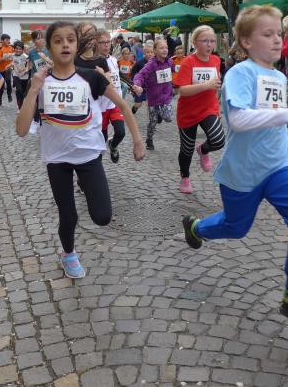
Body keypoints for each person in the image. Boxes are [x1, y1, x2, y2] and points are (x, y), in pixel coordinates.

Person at [181, 5, 288, 332]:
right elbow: (240, 120)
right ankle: (197, 228)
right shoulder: (240, 74)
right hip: (243, 171)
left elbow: (273, 119)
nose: (277, 41)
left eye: (280, 34)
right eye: (268, 34)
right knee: (236, 227)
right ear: (247, 42)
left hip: (279, 166)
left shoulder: (279, 76)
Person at [15, 21, 146, 278]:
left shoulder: (92, 77)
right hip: (57, 159)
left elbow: (122, 105)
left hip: (88, 155)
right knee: (68, 215)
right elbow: (21, 130)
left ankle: (73, 242)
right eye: (58, 41)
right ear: (49, 47)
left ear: (77, 45)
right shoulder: (41, 81)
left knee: (102, 216)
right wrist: (33, 91)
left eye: (70, 40)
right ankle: (68, 254)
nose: (65, 45)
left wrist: (137, 140)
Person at [173, 25, 225, 194]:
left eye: (212, 41)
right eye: (205, 41)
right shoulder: (188, 62)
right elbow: (182, 91)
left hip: (208, 109)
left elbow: (215, 86)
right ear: (195, 42)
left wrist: (216, 106)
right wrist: (206, 85)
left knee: (218, 140)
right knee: (186, 149)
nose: (209, 44)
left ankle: (203, 150)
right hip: (188, 112)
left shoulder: (216, 60)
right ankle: (185, 177)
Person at [132, 39, 175, 150]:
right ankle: (149, 139)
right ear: (155, 51)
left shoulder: (170, 62)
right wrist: (137, 85)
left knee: (168, 118)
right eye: (161, 48)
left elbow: (174, 74)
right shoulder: (151, 64)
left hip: (166, 96)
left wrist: (175, 85)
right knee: (153, 121)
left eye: (166, 48)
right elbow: (140, 75)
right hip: (153, 98)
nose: (165, 50)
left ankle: (161, 113)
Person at [97, 30, 126, 163]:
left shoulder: (114, 60)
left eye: (108, 41)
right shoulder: (93, 62)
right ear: (96, 44)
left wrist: (133, 86)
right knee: (101, 140)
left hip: (114, 103)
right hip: (100, 107)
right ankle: (95, 167)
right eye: (102, 42)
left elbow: (118, 76)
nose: (106, 45)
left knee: (120, 132)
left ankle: (113, 146)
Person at [0, 34, 15, 105]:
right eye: (6, 40)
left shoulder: (11, 48)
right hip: (1, 69)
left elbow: (14, 57)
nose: (8, 41)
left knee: (8, 81)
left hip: (8, 68)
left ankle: (9, 95)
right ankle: (0, 98)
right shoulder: (0, 49)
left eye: (9, 39)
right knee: (1, 85)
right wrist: (5, 57)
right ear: (2, 41)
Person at [11, 40, 30, 108]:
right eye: (16, 48)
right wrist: (9, 66)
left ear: (22, 50)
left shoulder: (25, 56)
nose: (18, 50)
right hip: (16, 75)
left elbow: (29, 65)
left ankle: (23, 103)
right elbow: (12, 62)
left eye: (20, 49)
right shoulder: (13, 55)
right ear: (14, 49)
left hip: (25, 77)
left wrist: (25, 71)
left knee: (23, 92)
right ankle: (20, 107)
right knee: (19, 90)